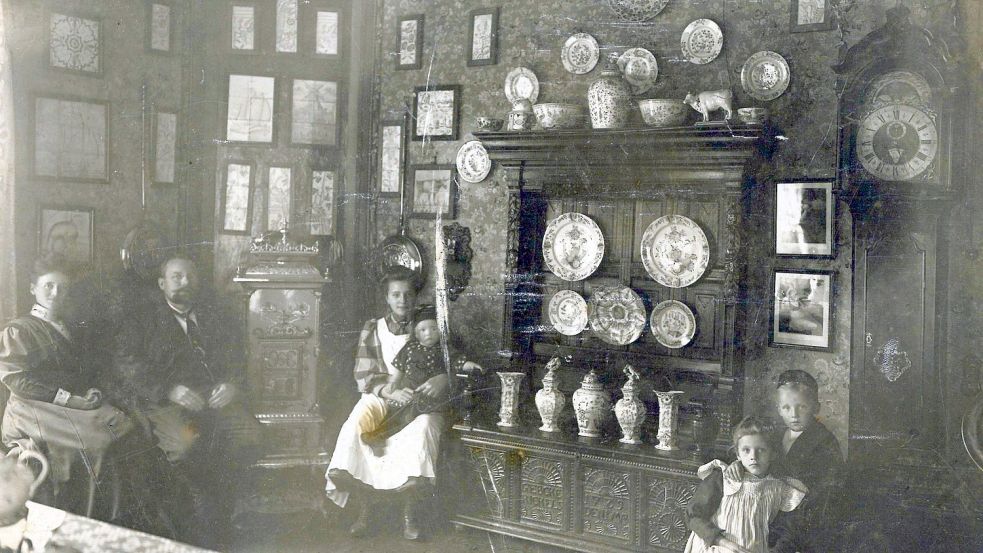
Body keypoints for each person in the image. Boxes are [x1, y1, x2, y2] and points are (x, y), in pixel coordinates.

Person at [110, 255, 259, 549]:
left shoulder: (215, 317)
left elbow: (237, 358)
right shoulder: (141, 320)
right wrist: (169, 389)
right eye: (176, 277)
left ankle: (225, 514)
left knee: (249, 436)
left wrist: (232, 385)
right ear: (161, 283)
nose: (185, 282)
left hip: (214, 399)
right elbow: (128, 364)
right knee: (186, 445)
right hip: (168, 401)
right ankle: (194, 522)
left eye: (190, 276)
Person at [0, 256, 132, 517]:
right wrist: (69, 399)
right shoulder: (20, 330)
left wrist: (91, 390)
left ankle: (109, 516)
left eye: (62, 288)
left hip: (68, 404)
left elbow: (80, 372)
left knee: (122, 427)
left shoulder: (68, 327)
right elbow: (17, 380)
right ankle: (83, 516)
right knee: (96, 443)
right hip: (31, 407)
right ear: (33, 289)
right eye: (48, 286)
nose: (55, 293)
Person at [325, 268, 450, 540]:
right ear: (387, 298)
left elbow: (452, 360)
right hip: (384, 393)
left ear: (416, 296)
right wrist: (387, 392)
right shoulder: (374, 328)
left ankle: (410, 514)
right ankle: (362, 505)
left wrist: (443, 378)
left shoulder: (431, 326)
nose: (402, 300)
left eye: (408, 294)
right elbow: (363, 373)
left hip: (421, 399)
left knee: (424, 427)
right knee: (359, 421)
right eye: (396, 295)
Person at [361, 304, 482, 450]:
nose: (428, 333)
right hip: (412, 393)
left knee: (408, 416)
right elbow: (399, 367)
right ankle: (377, 435)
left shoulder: (445, 350)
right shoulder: (409, 348)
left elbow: (459, 362)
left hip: (434, 398)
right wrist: (394, 382)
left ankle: (381, 436)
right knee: (395, 414)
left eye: (433, 329)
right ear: (416, 334)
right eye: (423, 330)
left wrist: (471, 365)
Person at [684, 415, 807, 553]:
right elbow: (693, 515)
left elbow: (786, 532)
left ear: (773, 454)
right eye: (746, 450)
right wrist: (723, 542)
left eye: (761, 450)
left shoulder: (780, 488)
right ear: (738, 454)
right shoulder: (724, 478)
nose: (753, 456)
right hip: (717, 546)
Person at [769, 370, 844, 553]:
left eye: (801, 407)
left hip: (805, 524)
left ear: (816, 407)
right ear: (778, 409)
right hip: (772, 516)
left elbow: (826, 495)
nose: (794, 414)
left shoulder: (825, 442)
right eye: (786, 408)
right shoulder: (775, 436)